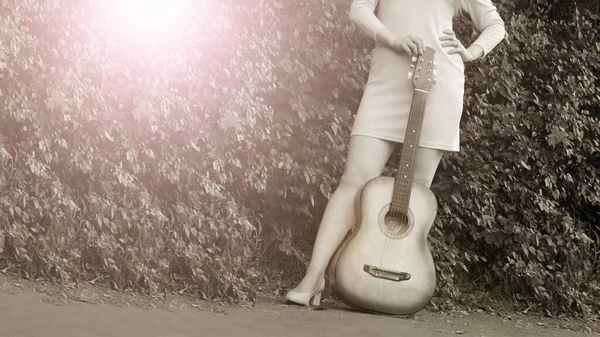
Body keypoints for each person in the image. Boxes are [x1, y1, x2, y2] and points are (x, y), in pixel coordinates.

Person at [285, 0, 506, 307]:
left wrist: (471, 51)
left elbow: (496, 25)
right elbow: (358, 10)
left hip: (439, 85)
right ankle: (313, 277)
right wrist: (393, 39)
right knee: (354, 181)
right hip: (385, 84)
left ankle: (386, 286)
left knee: (415, 195)